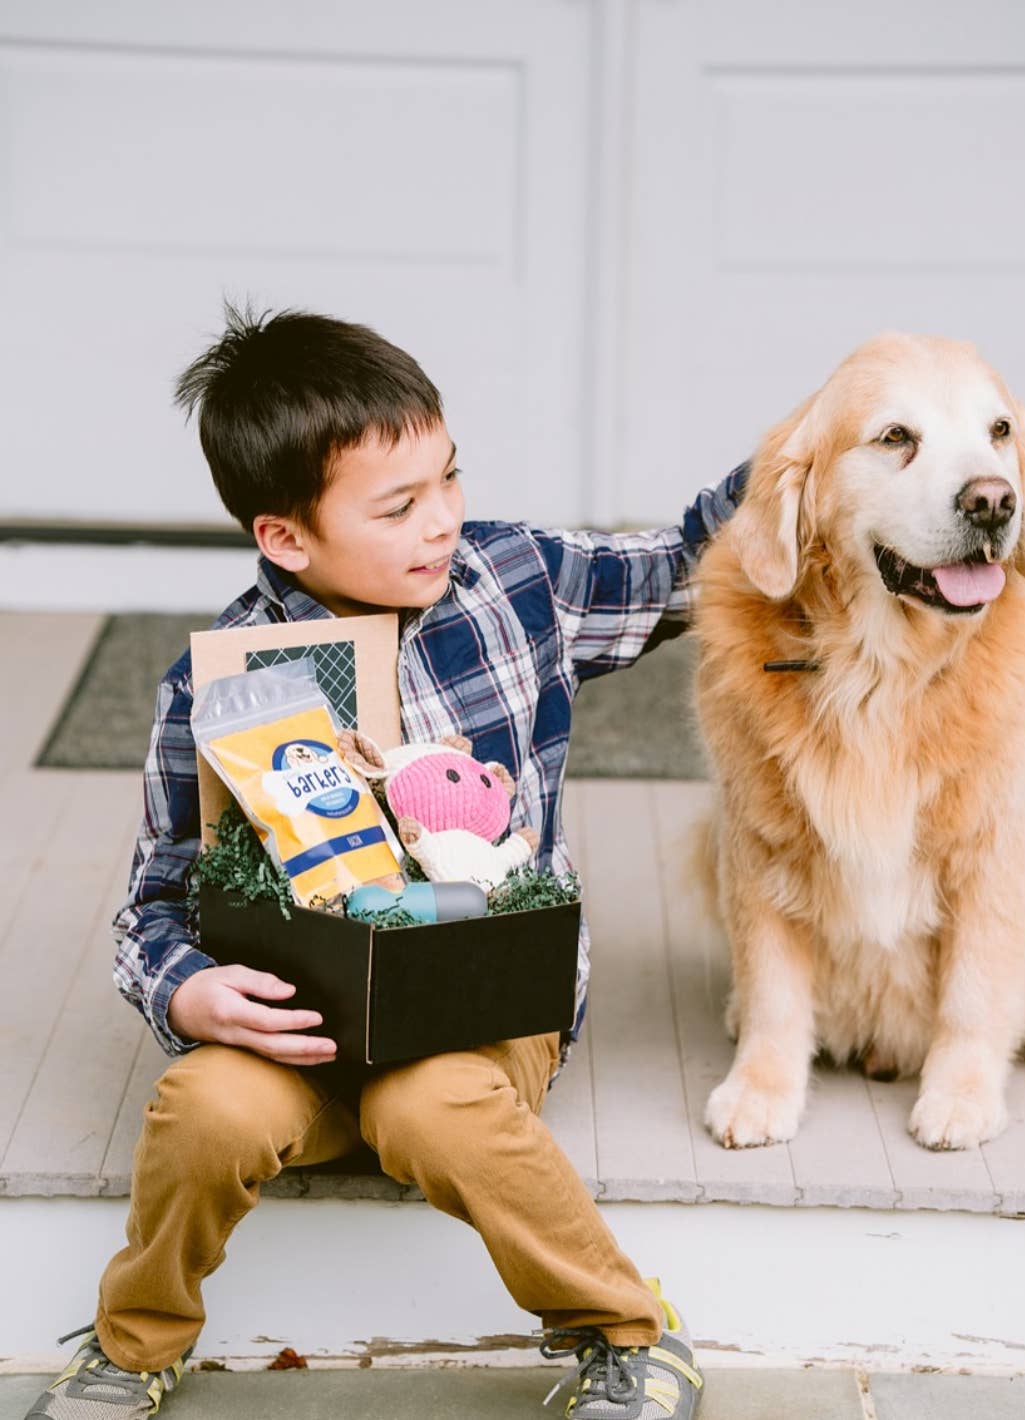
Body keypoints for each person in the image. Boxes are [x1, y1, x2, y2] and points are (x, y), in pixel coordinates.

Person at [26, 306, 745, 1420]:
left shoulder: (517, 582)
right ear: (286, 538)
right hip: (302, 1031)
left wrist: (829, 444)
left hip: (479, 1006)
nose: (441, 521)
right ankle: (133, 1346)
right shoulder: (214, 685)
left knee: (433, 1106)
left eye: (449, 480)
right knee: (205, 1106)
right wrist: (192, 989)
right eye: (399, 505)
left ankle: (627, 1332)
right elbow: (152, 906)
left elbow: (694, 560)